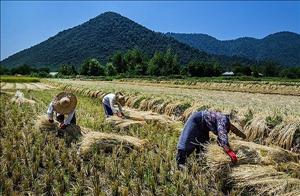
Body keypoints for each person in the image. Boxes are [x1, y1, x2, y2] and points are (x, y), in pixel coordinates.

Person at [176, 110, 246, 169]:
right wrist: (230, 152)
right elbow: (222, 135)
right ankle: (180, 163)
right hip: (196, 121)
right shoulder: (223, 120)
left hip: (204, 128)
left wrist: (244, 137)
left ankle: (199, 165)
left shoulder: (227, 121)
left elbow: (234, 130)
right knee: (187, 142)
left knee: (203, 147)